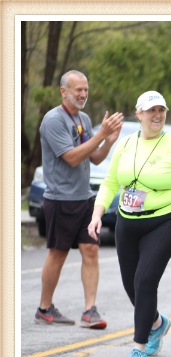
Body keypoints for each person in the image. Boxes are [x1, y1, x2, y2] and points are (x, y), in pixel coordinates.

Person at [88, 91, 171, 357]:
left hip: (164, 221)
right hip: (127, 221)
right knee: (131, 285)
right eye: (151, 110)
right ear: (139, 115)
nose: (157, 115)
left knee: (145, 280)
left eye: (161, 110)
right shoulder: (125, 145)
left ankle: (138, 351)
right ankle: (157, 323)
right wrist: (97, 214)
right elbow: (110, 182)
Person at [35, 70, 124, 328]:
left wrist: (108, 142)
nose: (83, 94)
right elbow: (72, 157)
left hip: (85, 199)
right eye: (78, 90)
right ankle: (44, 308)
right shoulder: (53, 120)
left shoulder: (83, 118)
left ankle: (90, 311)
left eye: (86, 89)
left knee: (91, 251)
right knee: (58, 254)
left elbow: (93, 157)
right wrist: (99, 135)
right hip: (61, 200)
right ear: (64, 91)